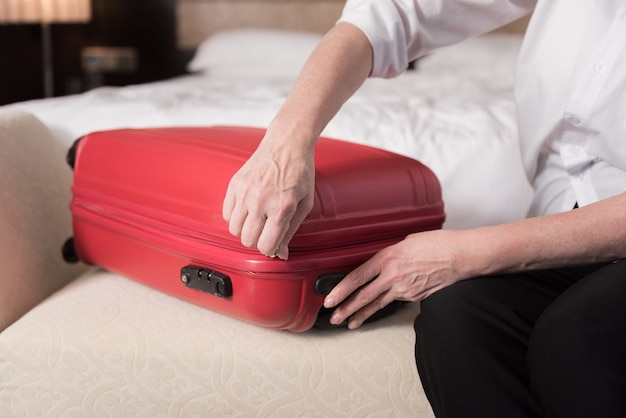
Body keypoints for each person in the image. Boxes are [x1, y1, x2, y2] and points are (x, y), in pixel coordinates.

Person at [222, 0, 626, 416]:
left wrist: (464, 253)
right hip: (561, 211)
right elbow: (392, 12)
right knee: (457, 319)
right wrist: (288, 139)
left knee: (577, 337)